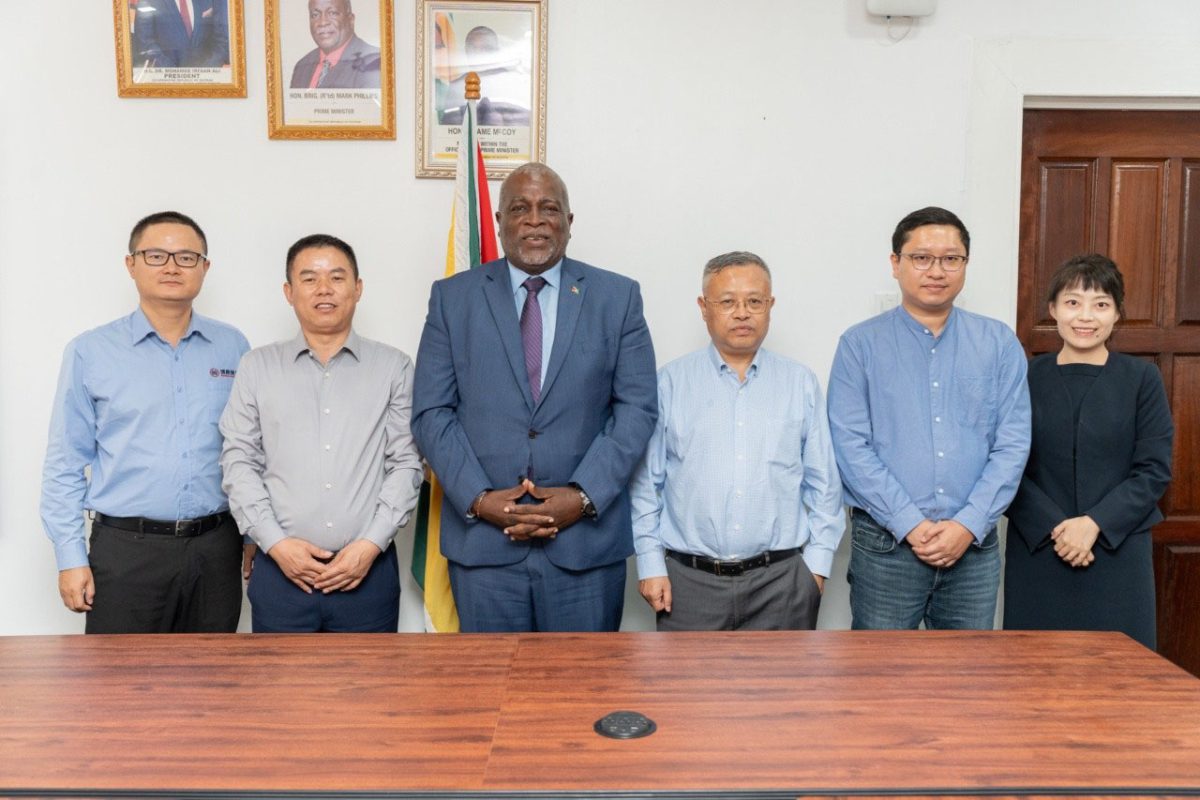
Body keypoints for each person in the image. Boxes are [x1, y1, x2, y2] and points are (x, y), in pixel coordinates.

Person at [412, 162, 658, 633]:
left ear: (569, 221)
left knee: (583, 695)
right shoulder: (452, 299)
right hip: (484, 549)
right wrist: (480, 499)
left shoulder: (618, 297)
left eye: (549, 208)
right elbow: (431, 412)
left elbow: (637, 410)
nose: (535, 219)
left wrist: (582, 496)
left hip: (585, 546)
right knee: (487, 695)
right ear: (500, 222)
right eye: (520, 208)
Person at [41, 211, 249, 633]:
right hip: (125, 552)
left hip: (216, 547)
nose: (172, 266)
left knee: (214, 687)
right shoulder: (91, 351)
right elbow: (64, 462)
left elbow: (251, 450)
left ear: (205, 268)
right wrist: (70, 556)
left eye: (187, 257)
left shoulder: (234, 347)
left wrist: (252, 537)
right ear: (131, 264)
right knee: (118, 690)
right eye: (156, 255)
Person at [827, 206, 1031, 630]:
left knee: (966, 681)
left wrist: (967, 524)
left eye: (950, 258)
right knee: (881, 680)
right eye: (921, 258)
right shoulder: (859, 345)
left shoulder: (997, 343)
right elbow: (850, 446)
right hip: (886, 546)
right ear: (896, 264)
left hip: (973, 548)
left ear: (965, 265)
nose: (936, 270)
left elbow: (1012, 443)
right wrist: (910, 523)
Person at [631, 252, 843, 630]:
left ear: (770, 306)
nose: (742, 312)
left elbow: (824, 485)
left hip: (782, 583)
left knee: (786, 690)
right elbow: (647, 486)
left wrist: (816, 570)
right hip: (688, 583)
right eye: (727, 301)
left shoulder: (800, 384)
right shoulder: (670, 384)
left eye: (755, 301)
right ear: (703, 307)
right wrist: (649, 564)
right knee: (684, 690)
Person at [220, 234, 421, 632]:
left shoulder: (394, 367)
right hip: (281, 572)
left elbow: (407, 463)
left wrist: (369, 546)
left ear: (358, 288)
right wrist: (275, 543)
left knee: (370, 692)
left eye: (337, 277)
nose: (324, 289)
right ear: (289, 292)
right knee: (280, 694)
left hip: (369, 571)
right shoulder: (257, 367)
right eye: (309, 279)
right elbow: (239, 460)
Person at [1004, 255, 1172, 649]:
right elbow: (1005, 462)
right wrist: (1059, 529)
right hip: (1040, 549)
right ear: (1053, 310)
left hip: (1118, 551)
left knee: (1120, 676)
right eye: (1073, 302)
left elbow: (1153, 470)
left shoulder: (1142, 379)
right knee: (1034, 674)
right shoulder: (1024, 377)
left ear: (1117, 315)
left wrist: (1093, 523)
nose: (1086, 316)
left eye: (1101, 304)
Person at [290, 0, 381, 90]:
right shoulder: (301, 67)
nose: (323, 22)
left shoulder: (375, 63)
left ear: (350, 19)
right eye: (315, 15)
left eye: (332, 13)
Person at [130, 0, 231, 69]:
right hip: (166, 85)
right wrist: (176, 76)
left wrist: (206, 70)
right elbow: (145, 43)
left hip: (207, 83)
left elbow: (222, 40)